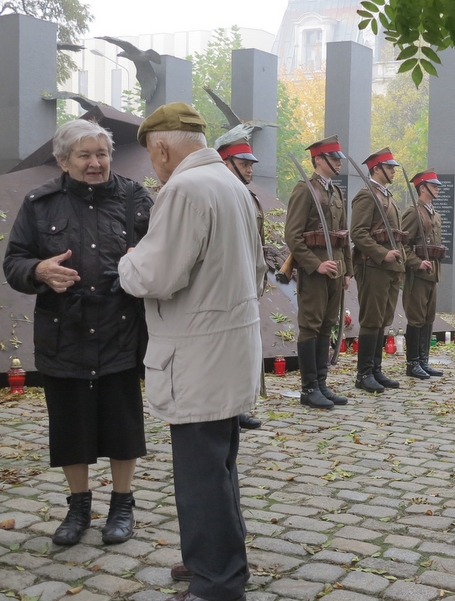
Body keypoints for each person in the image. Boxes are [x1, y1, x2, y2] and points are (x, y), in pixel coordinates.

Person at [119, 102, 266, 601]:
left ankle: (218, 583)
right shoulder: (231, 184)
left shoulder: (185, 189)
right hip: (227, 345)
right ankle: (218, 559)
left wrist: (127, 259)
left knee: (201, 475)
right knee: (218, 467)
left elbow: (156, 275)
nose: (154, 168)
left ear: (161, 146)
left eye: (152, 157)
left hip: (198, 353)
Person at [3, 119, 152, 547]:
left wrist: (142, 259)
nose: (95, 163)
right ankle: (79, 505)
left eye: (101, 153)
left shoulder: (135, 198)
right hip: (63, 331)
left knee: (123, 423)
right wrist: (38, 270)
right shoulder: (39, 202)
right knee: (70, 426)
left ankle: (122, 505)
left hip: (121, 329)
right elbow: (13, 262)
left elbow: (163, 254)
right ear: (63, 160)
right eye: (84, 155)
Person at [284, 135, 353, 408]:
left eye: (338, 158)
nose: (338, 163)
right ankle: (308, 387)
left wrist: (346, 269)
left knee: (327, 324)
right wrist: (315, 264)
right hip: (315, 271)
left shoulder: (336, 192)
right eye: (333, 158)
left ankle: (322, 384)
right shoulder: (304, 189)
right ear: (319, 160)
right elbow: (293, 236)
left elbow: (343, 235)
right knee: (310, 326)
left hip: (336, 268)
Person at [215, 125, 265, 428]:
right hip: (225, 285)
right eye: (244, 164)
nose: (249, 169)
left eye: (249, 164)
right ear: (226, 163)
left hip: (246, 281)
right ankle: (224, 408)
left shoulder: (247, 196)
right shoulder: (219, 194)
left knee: (241, 351)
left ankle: (236, 406)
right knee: (225, 350)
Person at [351, 147, 405, 392]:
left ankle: (375, 369)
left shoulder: (386, 195)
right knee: (371, 319)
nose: (393, 171)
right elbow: (358, 234)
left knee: (383, 318)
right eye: (389, 167)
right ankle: (364, 374)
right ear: (376, 169)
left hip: (388, 268)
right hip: (372, 266)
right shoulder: (367, 195)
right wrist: (383, 254)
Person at [401, 168, 445, 379]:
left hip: (432, 273)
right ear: (422, 188)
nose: (437, 189)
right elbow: (403, 245)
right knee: (416, 318)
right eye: (434, 185)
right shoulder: (413, 213)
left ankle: (424, 360)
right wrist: (416, 263)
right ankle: (413, 363)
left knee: (428, 318)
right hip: (417, 275)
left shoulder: (434, 214)